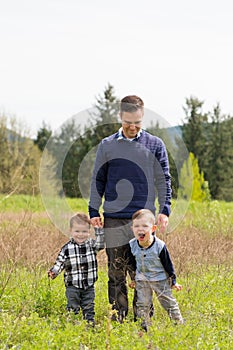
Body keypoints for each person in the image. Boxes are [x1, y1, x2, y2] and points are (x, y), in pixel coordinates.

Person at [88, 95, 172, 322]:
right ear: (120, 117)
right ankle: (118, 317)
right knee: (116, 272)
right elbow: (98, 180)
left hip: (143, 219)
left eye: (137, 122)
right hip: (114, 218)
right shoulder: (107, 145)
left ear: (142, 117)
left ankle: (143, 318)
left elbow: (163, 179)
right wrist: (94, 211)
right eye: (128, 122)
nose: (132, 127)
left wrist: (164, 209)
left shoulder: (155, 145)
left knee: (143, 272)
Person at [129, 209, 183, 331]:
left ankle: (178, 324)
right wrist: (133, 279)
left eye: (144, 226)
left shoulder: (159, 246)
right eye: (136, 226)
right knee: (142, 304)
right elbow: (132, 264)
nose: (140, 229)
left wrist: (173, 282)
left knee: (168, 302)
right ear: (132, 228)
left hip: (160, 279)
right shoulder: (132, 245)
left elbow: (168, 265)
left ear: (153, 228)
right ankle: (144, 327)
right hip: (142, 279)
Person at [48, 212, 104, 325]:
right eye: (77, 231)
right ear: (71, 231)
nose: (80, 235)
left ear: (89, 232)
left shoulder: (91, 245)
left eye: (84, 231)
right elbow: (60, 262)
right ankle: (73, 325)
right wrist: (54, 271)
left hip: (89, 285)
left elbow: (101, 245)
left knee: (89, 306)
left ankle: (89, 325)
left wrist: (99, 230)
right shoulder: (67, 248)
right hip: (73, 286)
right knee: (73, 307)